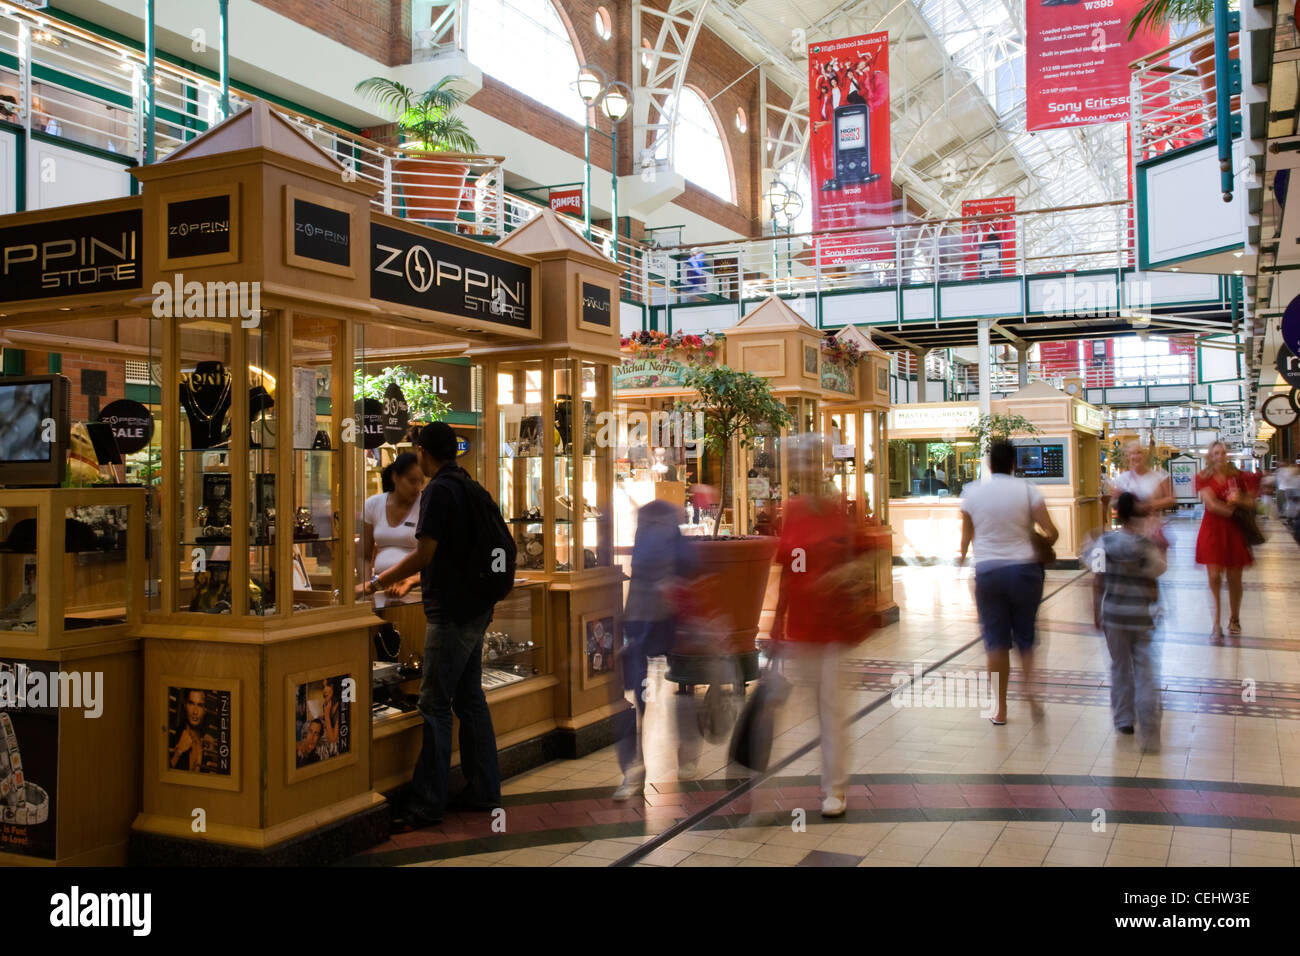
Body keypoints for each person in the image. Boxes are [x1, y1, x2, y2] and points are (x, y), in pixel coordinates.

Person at [364, 423, 502, 829]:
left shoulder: (440, 491)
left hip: (453, 611)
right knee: (469, 697)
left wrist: (378, 582)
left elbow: (426, 554)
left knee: (434, 704)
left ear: (423, 452)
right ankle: (483, 789)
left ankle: (426, 804)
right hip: (477, 606)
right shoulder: (467, 484)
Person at [771, 435, 872, 818]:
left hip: (837, 623)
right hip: (804, 623)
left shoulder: (839, 511)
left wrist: (842, 574)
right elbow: (790, 564)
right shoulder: (793, 510)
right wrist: (779, 620)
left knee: (831, 706)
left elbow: (862, 558)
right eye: (802, 463)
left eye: (814, 463)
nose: (809, 470)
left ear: (823, 467)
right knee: (811, 706)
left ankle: (835, 788)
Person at [959, 439, 1059, 726]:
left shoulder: (972, 492)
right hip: (1024, 572)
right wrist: (1035, 539)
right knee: (1025, 638)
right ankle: (1030, 693)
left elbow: (965, 538)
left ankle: (1000, 709)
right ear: (1014, 463)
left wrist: (963, 558)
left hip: (988, 571)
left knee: (996, 642)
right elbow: (1051, 532)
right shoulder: (1028, 491)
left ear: (989, 463)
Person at [612, 499, 698, 799]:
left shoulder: (642, 534)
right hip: (666, 622)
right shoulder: (673, 537)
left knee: (637, 698)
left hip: (641, 621)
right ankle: (685, 753)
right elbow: (690, 566)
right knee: (680, 689)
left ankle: (634, 770)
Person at [1091, 492, 1166, 751]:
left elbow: (1097, 579)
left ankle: (1124, 719)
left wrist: (1096, 612)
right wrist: (1155, 602)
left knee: (1120, 667)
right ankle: (1149, 730)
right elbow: (1156, 575)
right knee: (1144, 673)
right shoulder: (1145, 545)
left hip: (1113, 615)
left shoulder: (1104, 542)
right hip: (1140, 617)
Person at [1195, 440, 1260, 639]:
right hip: (1213, 529)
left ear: (1226, 455)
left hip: (1233, 531)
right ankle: (1216, 622)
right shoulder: (1202, 477)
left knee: (1234, 577)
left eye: (1222, 453)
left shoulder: (1237, 477)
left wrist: (1239, 499)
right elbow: (1211, 505)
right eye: (1215, 453)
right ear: (1210, 456)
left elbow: (1250, 501)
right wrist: (1233, 511)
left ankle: (1235, 617)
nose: (1219, 457)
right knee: (1214, 576)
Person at [362, 452, 424, 609]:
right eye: (411, 481)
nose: (417, 487)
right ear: (395, 477)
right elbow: (364, 555)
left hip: (416, 590)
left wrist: (411, 580)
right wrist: (366, 588)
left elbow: (429, 555)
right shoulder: (373, 504)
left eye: (420, 482)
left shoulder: (425, 505)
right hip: (379, 589)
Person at [169, 689, 213, 772]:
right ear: (185, 705)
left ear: (205, 710)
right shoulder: (174, 735)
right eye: (191, 704)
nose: (195, 711)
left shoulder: (205, 743)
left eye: (200, 705)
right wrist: (178, 752)